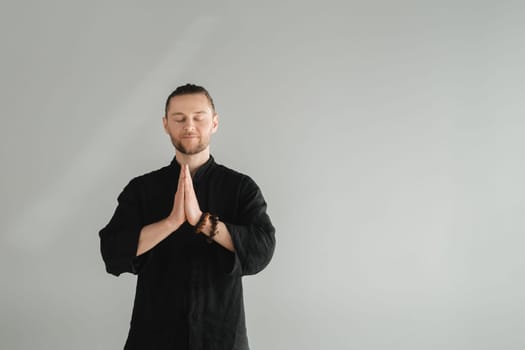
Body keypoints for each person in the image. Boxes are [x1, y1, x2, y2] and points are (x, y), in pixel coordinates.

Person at [99, 84, 276, 350]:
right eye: (179, 118)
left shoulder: (240, 187)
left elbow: (261, 249)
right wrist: (170, 222)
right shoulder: (142, 189)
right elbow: (112, 250)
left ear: (214, 122)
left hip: (221, 337)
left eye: (198, 117)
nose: (189, 125)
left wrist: (202, 222)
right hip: (153, 337)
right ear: (166, 125)